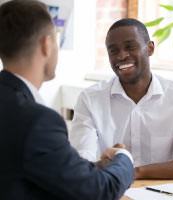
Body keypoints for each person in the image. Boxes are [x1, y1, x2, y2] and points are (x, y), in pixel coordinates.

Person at [0, 1, 134, 200]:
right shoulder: (37, 121)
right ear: (46, 45)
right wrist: (124, 158)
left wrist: (95, 167)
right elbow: (99, 191)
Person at [70, 18, 173, 179]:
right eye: (113, 51)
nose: (121, 55)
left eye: (130, 47)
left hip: (161, 191)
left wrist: (132, 172)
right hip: (109, 190)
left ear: (150, 48)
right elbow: (82, 162)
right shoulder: (90, 99)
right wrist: (104, 165)